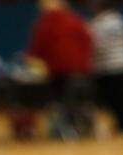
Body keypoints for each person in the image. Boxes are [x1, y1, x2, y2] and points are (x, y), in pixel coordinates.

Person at [27, 0, 93, 138]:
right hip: (82, 70)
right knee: (78, 98)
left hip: (59, 70)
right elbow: (88, 40)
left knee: (57, 98)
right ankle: (79, 124)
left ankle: (59, 127)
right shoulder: (76, 19)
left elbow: (37, 47)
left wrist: (31, 58)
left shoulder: (46, 22)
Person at [90, 0, 123, 134]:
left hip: (109, 67)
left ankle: (122, 127)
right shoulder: (120, 20)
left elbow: (97, 45)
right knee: (122, 99)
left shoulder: (100, 23)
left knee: (114, 99)